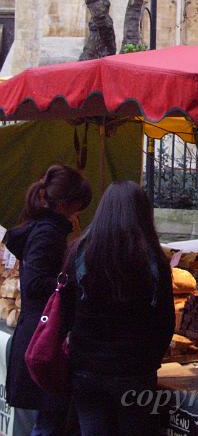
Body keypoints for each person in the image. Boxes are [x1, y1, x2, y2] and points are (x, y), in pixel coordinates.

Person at [62, 180, 174, 436]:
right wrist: (150, 361)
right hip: (135, 373)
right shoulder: (153, 259)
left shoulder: (79, 252)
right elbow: (165, 323)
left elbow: (66, 312)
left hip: (86, 371)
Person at [4, 164, 92, 436]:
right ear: (66, 203)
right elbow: (34, 285)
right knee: (49, 423)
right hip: (43, 335)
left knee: (49, 421)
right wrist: (71, 281)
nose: (80, 212)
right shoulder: (48, 233)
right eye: (79, 205)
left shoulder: (46, 229)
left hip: (37, 332)